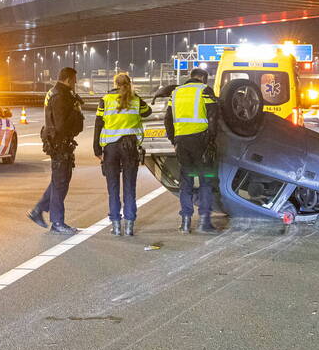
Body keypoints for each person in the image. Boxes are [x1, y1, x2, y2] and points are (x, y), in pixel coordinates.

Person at [94, 72, 152, 236]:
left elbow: (98, 124)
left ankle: (116, 226)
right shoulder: (136, 100)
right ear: (129, 83)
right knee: (129, 187)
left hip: (111, 149)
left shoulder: (105, 100)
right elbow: (148, 112)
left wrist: (97, 150)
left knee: (113, 188)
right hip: (130, 147)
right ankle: (129, 226)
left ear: (115, 83)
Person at [29, 67, 85, 235]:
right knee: (61, 183)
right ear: (68, 79)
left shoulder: (54, 92)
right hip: (60, 144)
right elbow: (61, 125)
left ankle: (38, 210)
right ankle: (57, 222)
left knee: (58, 181)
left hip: (57, 143)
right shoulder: (61, 95)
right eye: (74, 81)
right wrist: (76, 113)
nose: (75, 84)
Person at [165, 67, 219, 233]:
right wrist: (211, 140)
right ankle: (204, 221)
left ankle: (186, 222)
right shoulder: (204, 90)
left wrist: (174, 139)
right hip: (200, 141)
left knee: (186, 181)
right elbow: (213, 117)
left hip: (182, 142)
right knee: (206, 180)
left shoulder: (176, 92)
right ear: (202, 78)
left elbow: (168, 119)